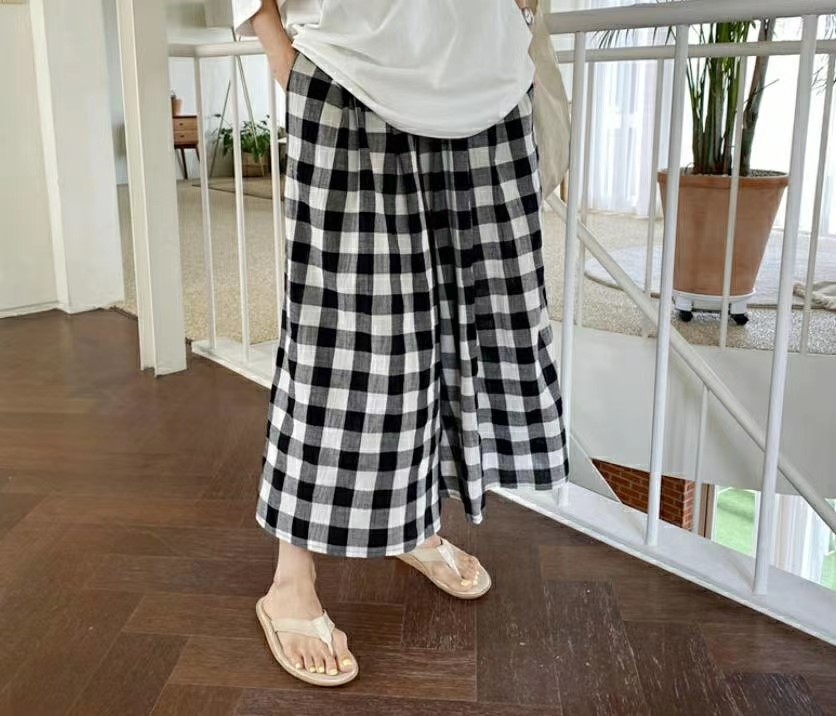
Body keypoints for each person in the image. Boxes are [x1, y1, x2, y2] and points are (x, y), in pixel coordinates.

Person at [232, 0, 569, 686]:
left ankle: (414, 524)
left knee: (461, 334)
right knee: (339, 346)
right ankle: (290, 580)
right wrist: (275, 43)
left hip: (491, 90)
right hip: (350, 74)